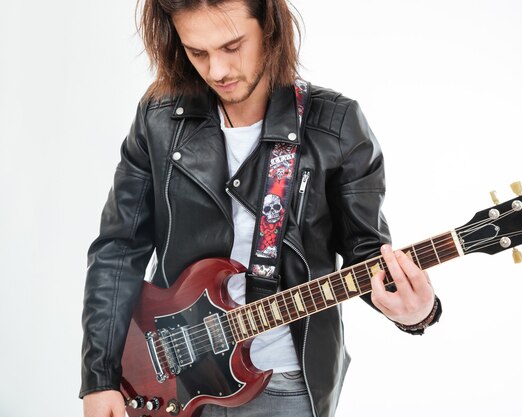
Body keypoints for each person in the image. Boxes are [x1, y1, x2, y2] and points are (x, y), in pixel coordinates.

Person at [80, 1, 442, 416]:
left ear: (269, 28)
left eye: (232, 46)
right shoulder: (159, 118)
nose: (217, 70)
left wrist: (417, 311)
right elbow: (118, 249)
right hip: (166, 377)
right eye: (198, 53)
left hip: (282, 386)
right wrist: (101, 378)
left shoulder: (336, 126)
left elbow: (368, 255)